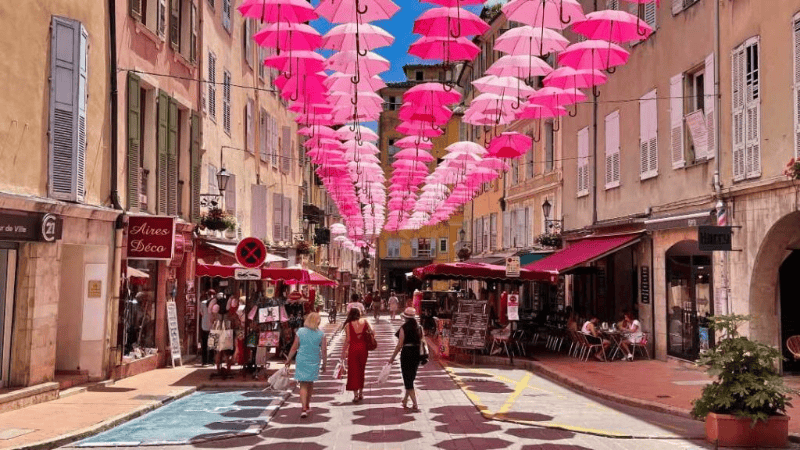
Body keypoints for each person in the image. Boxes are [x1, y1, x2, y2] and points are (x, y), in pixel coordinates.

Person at [285, 312, 327, 418]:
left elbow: (294, 347)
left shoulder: (300, 331)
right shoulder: (321, 334)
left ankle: (303, 407)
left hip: (302, 359)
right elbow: (324, 350)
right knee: (310, 383)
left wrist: (289, 359)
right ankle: (307, 405)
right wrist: (324, 363)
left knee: (303, 384)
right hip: (314, 359)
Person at [388, 307, 422, 411]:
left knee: (408, 379)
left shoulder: (403, 328)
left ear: (405, 317)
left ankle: (415, 404)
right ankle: (405, 400)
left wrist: (392, 358)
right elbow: (422, 340)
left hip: (407, 353)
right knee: (410, 377)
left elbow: (399, 345)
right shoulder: (419, 327)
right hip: (417, 353)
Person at [341, 307, 372, 403]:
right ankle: (361, 393)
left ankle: (355, 395)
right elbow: (373, 332)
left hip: (353, 349)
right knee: (361, 370)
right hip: (363, 348)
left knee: (353, 371)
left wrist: (343, 352)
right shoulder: (365, 322)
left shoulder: (348, 325)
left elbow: (348, 340)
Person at [199, 289, 215, 366]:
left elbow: (201, 313)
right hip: (212, 326)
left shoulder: (202, 303)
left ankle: (204, 361)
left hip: (204, 325)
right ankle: (211, 360)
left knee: (204, 344)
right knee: (212, 344)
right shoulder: (215, 303)